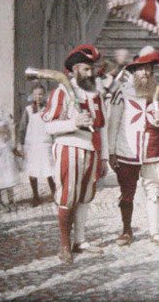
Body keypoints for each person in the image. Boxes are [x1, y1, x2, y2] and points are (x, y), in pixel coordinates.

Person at [41, 44, 109, 264]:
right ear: (75, 69)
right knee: (67, 196)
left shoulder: (96, 95)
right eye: (86, 69)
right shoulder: (62, 91)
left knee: (85, 196)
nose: (91, 73)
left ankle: (80, 241)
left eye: (92, 69)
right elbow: (48, 126)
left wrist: (105, 156)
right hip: (68, 148)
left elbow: (102, 127)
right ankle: (64, 245)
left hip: (91, 149)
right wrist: (73, 122)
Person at [108, 46, 159, 247]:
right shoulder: (122, 93)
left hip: (152, 150)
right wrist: (111, 151)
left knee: (153, 190)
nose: (145, 72)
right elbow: (113, 124)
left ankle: (154, 231)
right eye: (141, 68)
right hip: (126, 150)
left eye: (148, 69)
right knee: (127, 193)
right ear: (133, 71)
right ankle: (126, 230)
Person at [17, 83, 57, 207]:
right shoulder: (28, 110)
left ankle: (55, 194)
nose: (38, 97)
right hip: (32, 145)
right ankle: (35, 196)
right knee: (33, 170)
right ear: (32, 95)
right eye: (35, 94)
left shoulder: (48, 110)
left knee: (49, 170)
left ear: (44, 95)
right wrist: (20, 144)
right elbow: (22, 128)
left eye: (40, 94)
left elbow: (53, 126)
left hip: (45, 143)